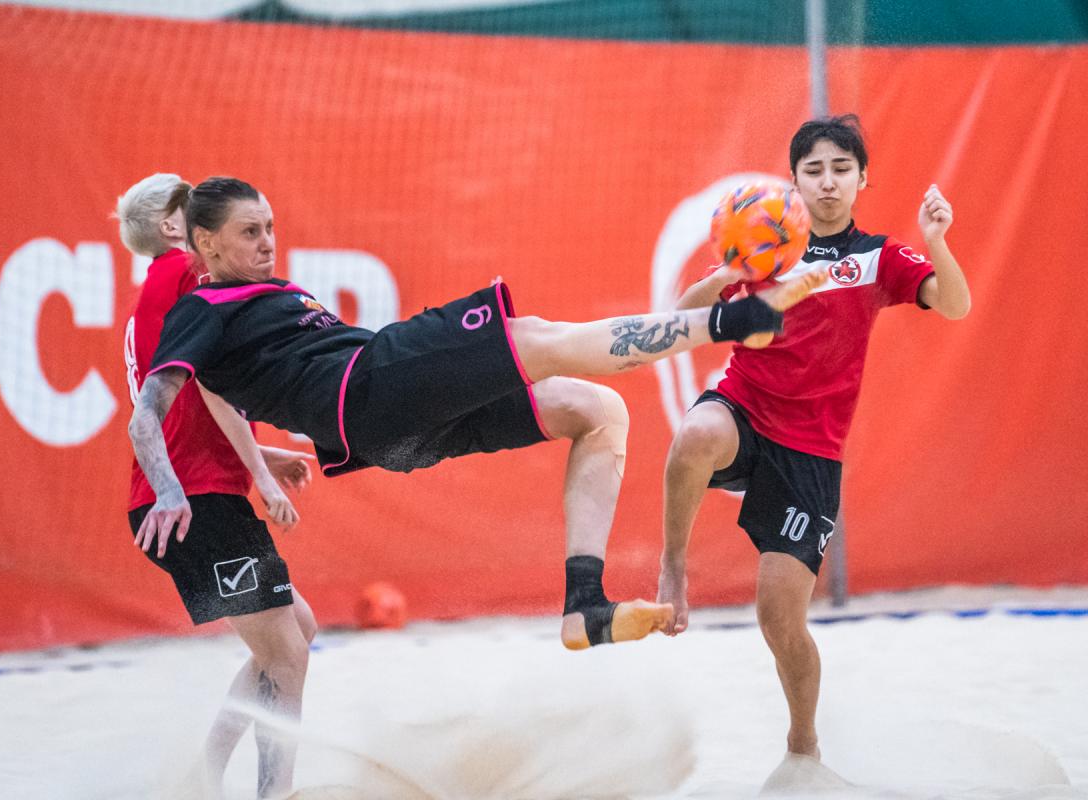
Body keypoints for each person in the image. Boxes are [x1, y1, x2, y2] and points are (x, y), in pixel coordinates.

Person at [128, 175, 824, 662]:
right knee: (542, 337)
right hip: (371, 383)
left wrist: (264, 459)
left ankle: (585, 604)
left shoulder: (260, 298)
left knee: (596, 410)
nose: (268, 242)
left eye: (271, 228)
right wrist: (167, 488)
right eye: (250, 232)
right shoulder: (199, 306)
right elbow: (147, 413)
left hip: (383, 430)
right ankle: (736, 322)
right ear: (204, 245)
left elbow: (222, 392)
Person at [657, 115, 972, 759]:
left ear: (862, 179)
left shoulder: (878, 257)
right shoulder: (768, 247)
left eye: (841, 169)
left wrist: (937, 240)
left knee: (779, 619)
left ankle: (803, 745)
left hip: (811, 450)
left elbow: (955, 303)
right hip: (745, 407)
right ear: (795, 182)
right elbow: (678, 321)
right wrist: (722, 277)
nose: (828, 181)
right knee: (694, 435)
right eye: (814, 170)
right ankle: (673, 565)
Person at [117, 173, 319, 799]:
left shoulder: (156, 289)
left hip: (188, 495)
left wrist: (262, 455)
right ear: (175, 229)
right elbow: (209, 389)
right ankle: (272, 793)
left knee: (297, 631)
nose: (261, 240)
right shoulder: (185, 274)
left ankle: (205, 772)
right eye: (191, 207)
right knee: (287, 653)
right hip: (193, 503)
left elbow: (183, 411)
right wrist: (259, 476)